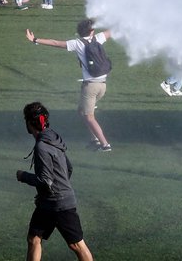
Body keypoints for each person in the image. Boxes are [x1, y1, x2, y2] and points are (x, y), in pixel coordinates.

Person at [16, 102, 95, 261]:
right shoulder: (53, 138)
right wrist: (48, 193)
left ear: (30, 123)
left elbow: (45, 180)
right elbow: (69, 168)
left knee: (77, 245)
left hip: (59, 204)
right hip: (48, 203)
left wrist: (23, 176)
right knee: (34, 239)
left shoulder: (42, 146)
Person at [25, 20, 113, 152]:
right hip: (102, 86)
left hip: (90, 87)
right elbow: (111, 31)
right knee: (82, 111)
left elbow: (55, 43)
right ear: (92, 31)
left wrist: (35, 39)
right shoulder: (98, 38)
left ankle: (105, 145)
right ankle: (94, 139)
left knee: (89, 116)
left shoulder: (77, 43)